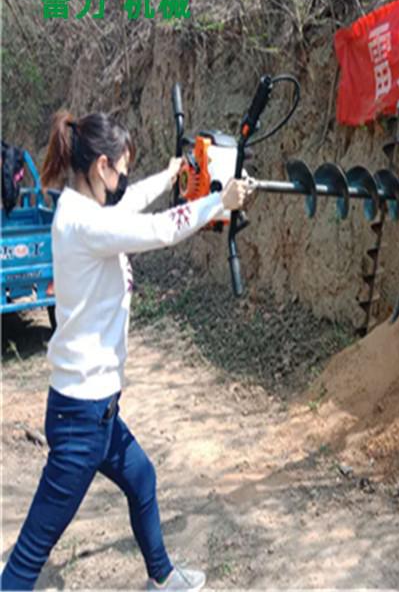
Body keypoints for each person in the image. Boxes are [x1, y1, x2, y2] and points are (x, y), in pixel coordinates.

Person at [1, 110, 256, 591]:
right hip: (80, 421)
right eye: (120, 170)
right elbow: (159, 230)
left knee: (142, 478)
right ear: (101, 166)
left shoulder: (85, 211)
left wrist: (170, 174)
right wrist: (218, 202)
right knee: (29, 556)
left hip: (98, 413)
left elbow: (129, 203)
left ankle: (162, 576)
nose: (122, 180)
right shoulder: (83, 225)